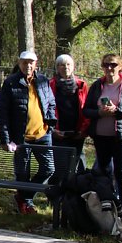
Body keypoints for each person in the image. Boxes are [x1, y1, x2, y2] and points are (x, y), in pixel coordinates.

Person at [83, 54, 122, 217]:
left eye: (113, 65)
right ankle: (107, 204)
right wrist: (99, 112)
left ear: (121, 67)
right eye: (106, 65)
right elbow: (86, 110)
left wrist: (117, 110)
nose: (109, 68)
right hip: (101, 136)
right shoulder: (97, 85)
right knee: (103, 171)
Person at [0, 51, 57, 214]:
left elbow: (51, 103)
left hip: (43, 134)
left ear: (36, 64)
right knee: (22, 172)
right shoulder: (10, 82)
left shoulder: (43, 81)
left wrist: (50, 123)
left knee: (48, 168)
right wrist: (5, 138)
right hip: (21, 136)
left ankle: (24, 198)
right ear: (19, 63)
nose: (28, 66)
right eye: (24, 62)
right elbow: (3, 112)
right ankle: (26, 203)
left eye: (31, 62)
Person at [49, 54, 89, 182]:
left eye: (68, 64)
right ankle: (57, 195)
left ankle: (73, 195)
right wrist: (53, 130)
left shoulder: (82, 85)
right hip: (58, 132)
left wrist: (84, 130)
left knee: (76, 166)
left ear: (73, 67)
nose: (65, 67)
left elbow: (87, 108)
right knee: (60, 166)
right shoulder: (50, 85)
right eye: (61, 65)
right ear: (57, 68)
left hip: (77, 132)